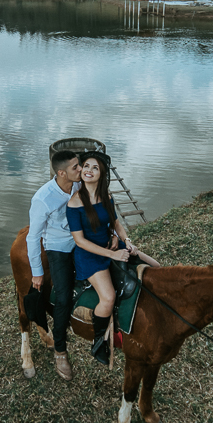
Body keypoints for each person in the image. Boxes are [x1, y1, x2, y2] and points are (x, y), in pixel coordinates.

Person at [66, 151, 160, 364]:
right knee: (108, 298)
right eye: (86, 166)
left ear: (102, 174)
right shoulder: (74, 203)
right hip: (89, 256)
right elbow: (80, 241)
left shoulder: (106, 195)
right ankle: (99, 341)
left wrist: (126, 241)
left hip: (111, 245)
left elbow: (116, 223)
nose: (89, 171)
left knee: (155, 266)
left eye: (95, 168)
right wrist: (112, 254)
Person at [27, 150, 82, 380]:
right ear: (61, 173)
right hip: (58, 247)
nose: (81, 169)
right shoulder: (43, 198)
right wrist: (37, 272)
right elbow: (32, 237)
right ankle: (60, 350)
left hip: (81, 239)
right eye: (75, 167)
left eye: (79, 165)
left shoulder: (79, 184)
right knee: (63, 297)